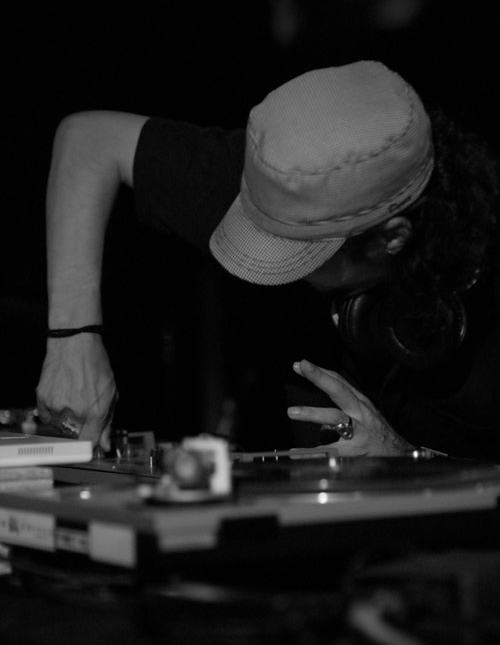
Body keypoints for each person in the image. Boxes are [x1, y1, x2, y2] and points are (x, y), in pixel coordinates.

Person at [36, 61, 500, 460]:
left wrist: (405, 458)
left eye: (299, 252)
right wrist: (72, 342)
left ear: (389, 239)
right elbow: (88, 140)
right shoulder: (293, 173)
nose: (271, 257)